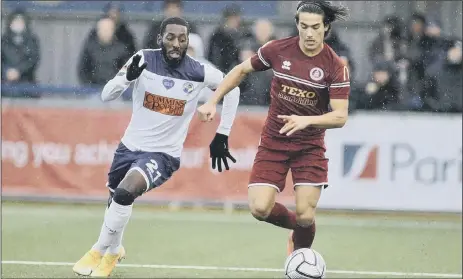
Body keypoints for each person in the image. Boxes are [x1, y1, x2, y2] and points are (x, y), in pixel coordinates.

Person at [72, 17, 240, 277]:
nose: (176, 43)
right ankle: (114, 251)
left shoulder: (198, 71)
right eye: (171, 37)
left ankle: (97, 250)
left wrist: (222, 134)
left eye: (182, 39)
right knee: (116, 198)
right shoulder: (144, 59)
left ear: (188, 41)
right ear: (160, 38)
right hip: (129, 147)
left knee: (126, 192)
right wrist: (125, 79)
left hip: (163, 154)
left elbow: (233, 88)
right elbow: (107, 95)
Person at [197, 0, 350, 255]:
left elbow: (340, 116)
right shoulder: (278, 49)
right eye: (304, 27)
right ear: (297, 25)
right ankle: (300, 230)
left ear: (326, 28)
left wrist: (307, 120)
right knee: (259, 209)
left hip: (309, 146)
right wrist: (214, 101)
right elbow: (241, 69)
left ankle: (300, 252)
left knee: (305, 213)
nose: (309, 33)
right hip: (274, 142)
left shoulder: (335, 66)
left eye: (315, 27)